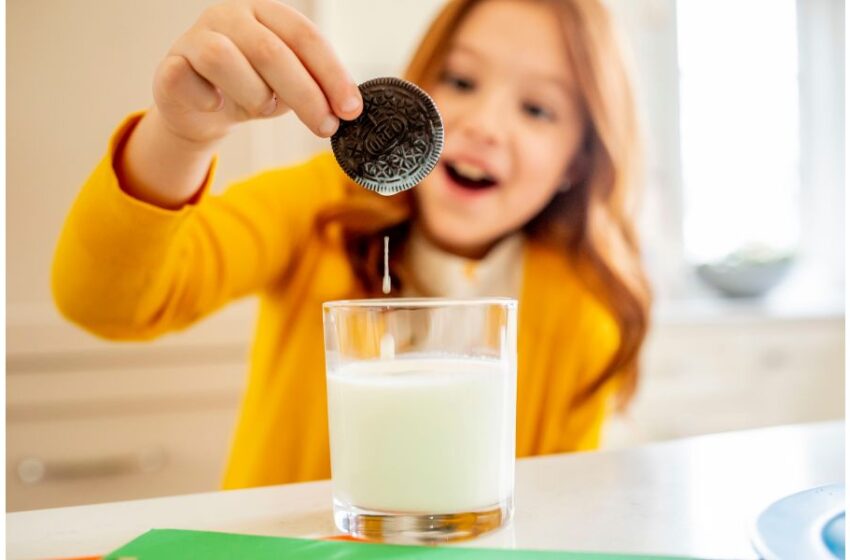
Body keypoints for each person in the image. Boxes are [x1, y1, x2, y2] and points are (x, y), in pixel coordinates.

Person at [52, 0, 652, 489]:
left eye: (538, 109)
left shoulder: (583, 314)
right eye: (462, 80)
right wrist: (181, 135)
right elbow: (105, 302)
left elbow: (553, 521)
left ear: (578, 159)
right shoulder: (321, 210)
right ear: (416, 93)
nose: (485, 124)